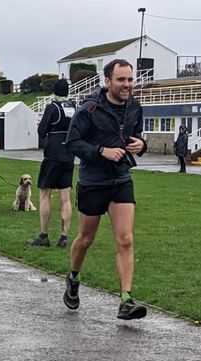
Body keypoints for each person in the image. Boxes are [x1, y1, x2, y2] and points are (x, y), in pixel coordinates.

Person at [64, 59, 148, 320]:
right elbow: (72, 143)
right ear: (108, 81)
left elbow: (136, 135)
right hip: (93, 181)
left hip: (121, 179)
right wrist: (101, 151)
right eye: (121, 80)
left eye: (130, 80)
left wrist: (141, 145)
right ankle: (74, 277)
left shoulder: (135, 107)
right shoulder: (90, 109)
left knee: (125, 239)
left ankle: (126, 300)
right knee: (86, 239)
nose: (127, 85)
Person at [28, 79, 75, 248]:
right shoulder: (73, 107)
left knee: (45, 194)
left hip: (53, 154)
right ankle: (64, 237)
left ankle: (44, 235)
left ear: (55, 92)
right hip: (69, 154)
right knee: (65, 198)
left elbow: (42, 133)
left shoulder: (52, 107)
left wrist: (42, 125)